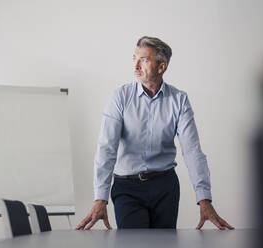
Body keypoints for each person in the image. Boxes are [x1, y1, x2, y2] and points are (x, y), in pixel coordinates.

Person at [76, 36, 234, 230]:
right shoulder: (120, 98)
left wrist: (204, 199)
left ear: (161, 67)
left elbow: (192, 151)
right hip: (127, 188)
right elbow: (106, 148)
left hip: (165, 187)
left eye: (143, 60)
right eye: (134, 58)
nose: (135, 66)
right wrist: (100, 198)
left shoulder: (179, 100)